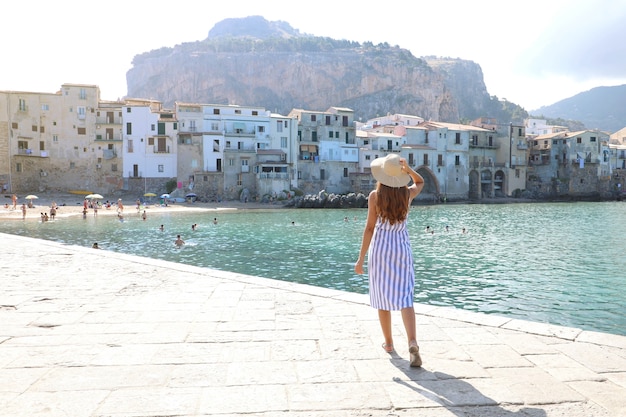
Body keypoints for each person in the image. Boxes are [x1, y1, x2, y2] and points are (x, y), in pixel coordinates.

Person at [354, 154, 425, 367]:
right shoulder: (407, 194)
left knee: (381, 296)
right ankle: (412, 341)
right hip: (401, 248)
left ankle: (389, 343)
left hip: (381, 249)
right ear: (400, 176)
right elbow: (420, 181)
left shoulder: (375, 196)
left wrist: (360, 259)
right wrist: (409, 170)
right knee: (405, 296)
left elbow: (369, 228)